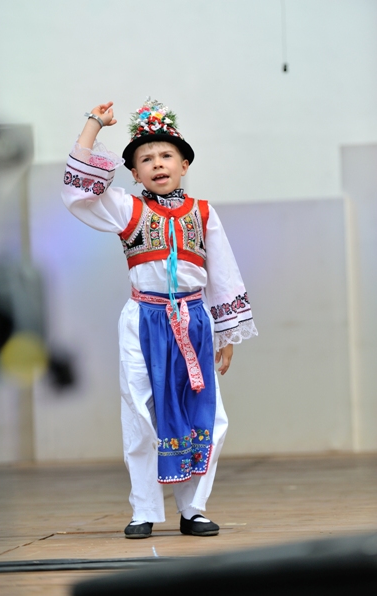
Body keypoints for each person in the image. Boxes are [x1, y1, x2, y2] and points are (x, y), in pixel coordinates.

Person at [62, 98, 258, 539]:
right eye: (145, 158)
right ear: (133, 173)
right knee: (140, 412)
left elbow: (223, 274)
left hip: (194, 320)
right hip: (143, 318)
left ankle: (195, 509)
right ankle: (144, 510)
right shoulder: (126, 210)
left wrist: (227, 332)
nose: (157, 163)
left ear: (184, 163)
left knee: (207, 413)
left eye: (166, 155)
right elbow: (77, 193)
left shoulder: (204, 213)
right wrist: (94, 125)